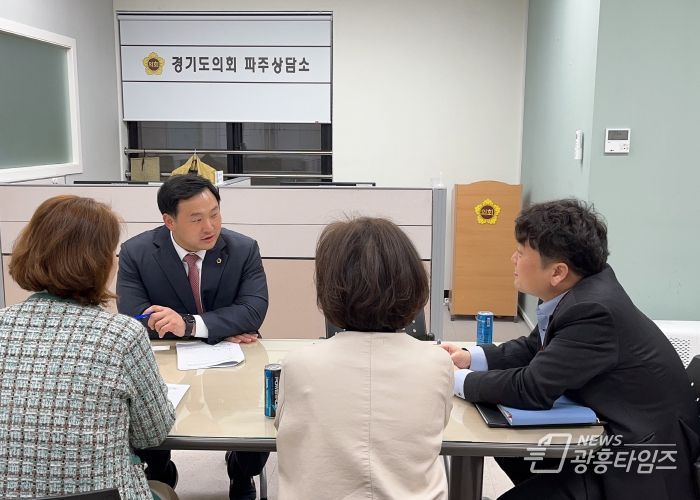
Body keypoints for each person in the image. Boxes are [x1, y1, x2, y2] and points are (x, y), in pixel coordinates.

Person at [441, 199, 700, 500]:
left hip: (637, 463)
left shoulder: (592, 311)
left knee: (505, 443)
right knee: (505, 444)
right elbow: (536, 347)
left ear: (557, 272)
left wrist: (455, 379)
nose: (513, 259)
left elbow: (531, 388)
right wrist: (471, 358)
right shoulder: (577, 290)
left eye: (521, 253)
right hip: (615, 435)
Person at [0, 195, 176, 499]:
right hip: (103, 492)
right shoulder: (121, 334)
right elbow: (153, 433)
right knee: (164, 491)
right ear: (100, 261)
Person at [275, 217, 454, 500]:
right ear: (413, 284)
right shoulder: (437, 363)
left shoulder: (299, 364)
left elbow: (286, 428)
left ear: (330, 289)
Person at [117, 175, 269, 500]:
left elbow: (253, 310)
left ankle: (241, 472)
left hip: (233, 355)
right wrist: (221, 324)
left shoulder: (243, 249)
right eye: (197, 219)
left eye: (215, 214)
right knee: (144, 421)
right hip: (166, 361)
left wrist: (189, 324)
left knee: (256, 427)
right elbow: (133, 317)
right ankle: (160, 473)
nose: (210, 227)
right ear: (169, 221)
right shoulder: (136, 253)